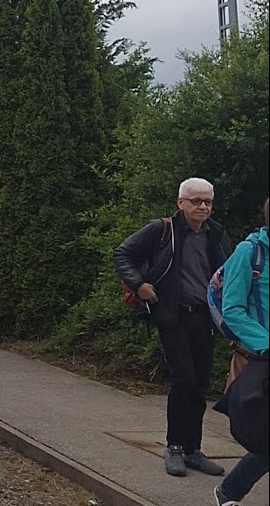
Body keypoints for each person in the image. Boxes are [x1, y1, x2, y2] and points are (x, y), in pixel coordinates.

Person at [114, 177, 233, 478]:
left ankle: (193, 449)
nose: (202, 206)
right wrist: (139, 284)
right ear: (180, 202)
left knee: (201, 384)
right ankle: (174, 448)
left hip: (205, 318)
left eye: (207, 201)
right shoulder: (161, 230)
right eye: (195, 201)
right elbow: (123, 254)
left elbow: (226, 272)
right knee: (184, 379)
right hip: (173, 315)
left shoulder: (215, 234)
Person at [213, 195, 268, 506]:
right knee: (264, 440)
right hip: (257, 361)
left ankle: (229, 492)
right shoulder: (249, 253)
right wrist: (266, 343)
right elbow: (232, 309)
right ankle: (229, 492)